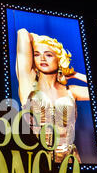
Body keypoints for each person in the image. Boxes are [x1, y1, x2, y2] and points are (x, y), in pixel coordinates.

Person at [16, 28, 90, 163]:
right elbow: (22, 33)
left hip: (70, 159)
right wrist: (36, 39)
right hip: (38, 159)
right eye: (37, 54)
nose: (42, 58)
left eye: (49, 55)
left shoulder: (71, 91)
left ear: (60, 59)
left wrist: (74, 74)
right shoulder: (28, 84)